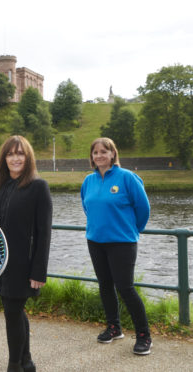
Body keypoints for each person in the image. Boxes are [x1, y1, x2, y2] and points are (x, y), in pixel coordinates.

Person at [0, 135, 52, 372]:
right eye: (10, 154)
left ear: (28, 157)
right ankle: (26, 362)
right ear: (4, 157)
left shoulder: (38, 187)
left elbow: (44, 233)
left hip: (23, 264)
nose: (15, 158)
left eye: (20, 153)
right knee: (14, 310)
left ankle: (15, 365)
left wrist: (39, 270)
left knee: (12, 313)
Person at [80, 137, 152, 355]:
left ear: (113, 154)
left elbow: (143, 208)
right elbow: (87, 207)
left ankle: (143, 335)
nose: (99, 155)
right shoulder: (88, 181)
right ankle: (114, 328)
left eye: (104, 151)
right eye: (95, 152)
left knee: (125, 288)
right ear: (91, 157)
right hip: (95, 241)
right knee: (105, 285)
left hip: (122, 242)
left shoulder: (127, 177)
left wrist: (131, 230)